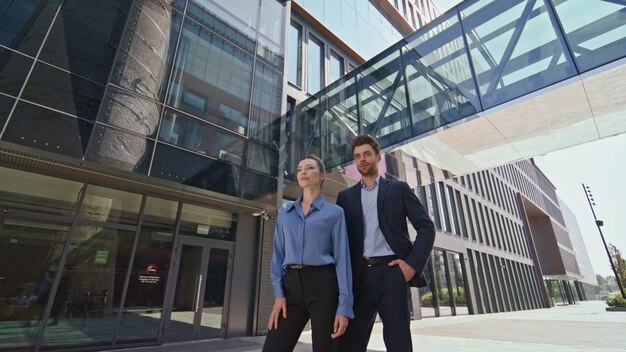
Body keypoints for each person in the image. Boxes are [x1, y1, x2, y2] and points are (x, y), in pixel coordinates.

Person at [336, 135, 436, 352]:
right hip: (359, 277)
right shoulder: (345, 198)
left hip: (392, 273)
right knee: (350, 344)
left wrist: (411, 265)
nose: (362, 159)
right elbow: (339, 242)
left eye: (367, 154)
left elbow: (426, 227)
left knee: (398, 342)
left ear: (378, 157)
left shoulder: (398, 189)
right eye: (357, 156)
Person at [263, 155, 353, 352]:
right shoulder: (284, 212)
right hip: (291, 287)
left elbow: (343, 261)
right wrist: (279, 294)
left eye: (309, 168)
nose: (303, 172)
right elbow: (278, 256)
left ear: (322, 175)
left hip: (324, 287)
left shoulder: (335, 213)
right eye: (300, 169)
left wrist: (344, 307)